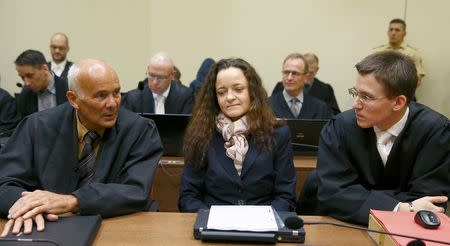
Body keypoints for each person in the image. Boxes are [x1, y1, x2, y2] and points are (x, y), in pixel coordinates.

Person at [0, 59, 163, 237]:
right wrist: (32, 206)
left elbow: (135, 190)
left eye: (116, 93)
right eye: (101, 95)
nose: (113, 103)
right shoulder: (37, 126)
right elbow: (4, 183)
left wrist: (73, 201)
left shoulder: (140, 130)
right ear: (73, 99)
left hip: (114, 229)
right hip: (45, 228)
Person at [316, 51, 449, 225]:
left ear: (398, 102)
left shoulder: (436, 132)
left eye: (366, 97)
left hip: (408, 231)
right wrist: (401, 207)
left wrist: (360, 198)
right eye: (355, 93)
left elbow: (430, 202)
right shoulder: (339, 127)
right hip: (344, 227)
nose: (355, 104)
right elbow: (332, 194)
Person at [178, 58, 297, 212]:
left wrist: (265, 221)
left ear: (252, 92)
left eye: (238, 89)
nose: (229, 97)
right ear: (215, 97)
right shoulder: (201, 133)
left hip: (264, 225)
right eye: (221, 92)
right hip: (213, 225)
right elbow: (188, 196)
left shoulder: (278, 133)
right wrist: (211, 219)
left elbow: (285, 196)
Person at [122, 52, 194, 114]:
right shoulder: (133, 98)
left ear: (172, 75)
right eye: (151, 75)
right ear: (148, 70)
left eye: (161, 77)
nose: (155, 82)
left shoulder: (185, 96)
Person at [269, 53, 334, 119]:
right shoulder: (267, 106)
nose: (289, 78)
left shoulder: (320, 108)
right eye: (286, 72)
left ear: (305, 77)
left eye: (295, 73)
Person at [14, 49, 68, 118]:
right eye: (22, 77)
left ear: (45, 69)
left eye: (30, 76)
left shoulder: (68, 87)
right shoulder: (25, 94)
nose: (26, 83)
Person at [373, 18, 425, 86]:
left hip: (404, 93)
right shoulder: (378, 52)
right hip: (381, 92)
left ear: (404, 33)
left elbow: (417, 81)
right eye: (391, 30)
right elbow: (371, 76)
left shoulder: (413, 54)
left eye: (397, 30)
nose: (393, 33)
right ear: (387, 32)